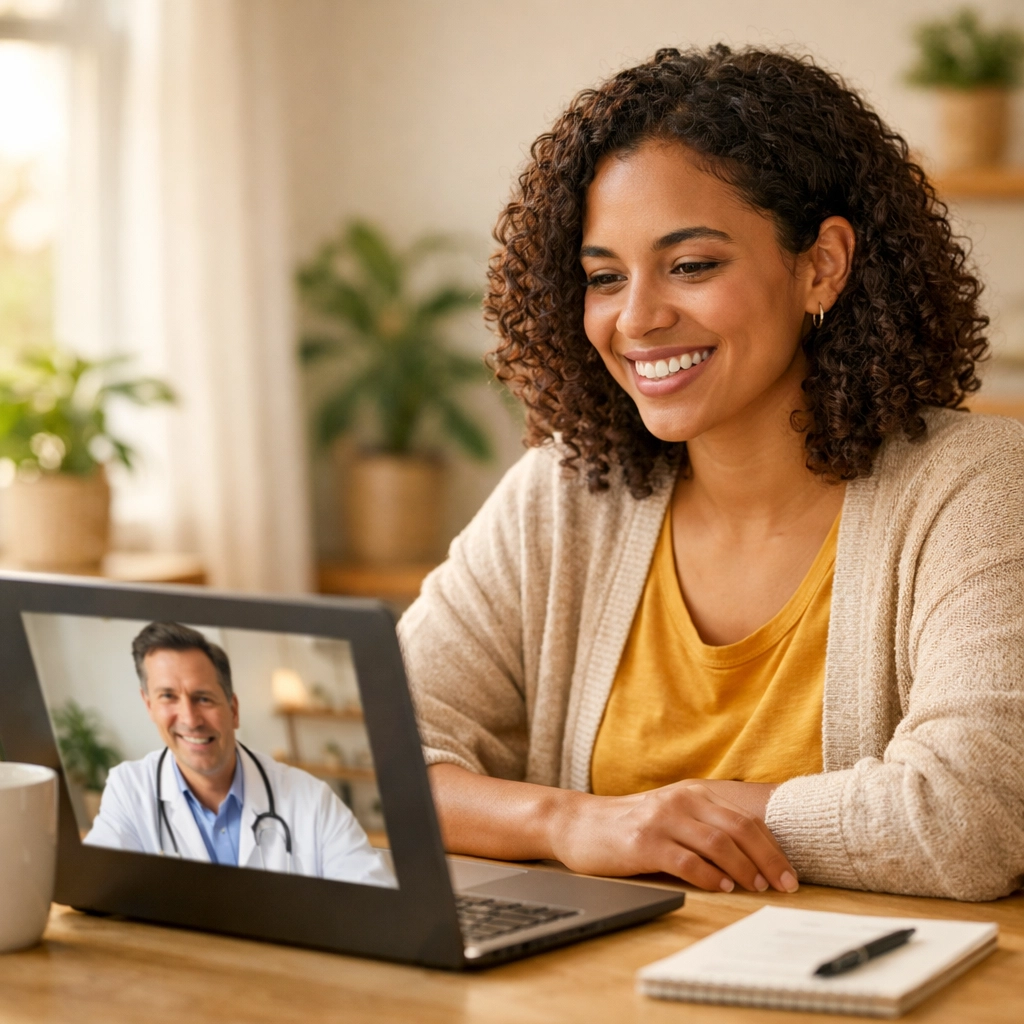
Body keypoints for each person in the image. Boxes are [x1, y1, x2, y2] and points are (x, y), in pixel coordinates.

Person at [398, 45, 1024, 902]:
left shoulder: (980, 487)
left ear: (822, 265)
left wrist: (679, 821)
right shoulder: (564, 493)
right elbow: (376, 754)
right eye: (604, 277)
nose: (639, 318)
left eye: (692, 265)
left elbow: (966, 821)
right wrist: (573, 823)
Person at [85, 622, 394, 888]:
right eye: (168, 696)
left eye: (203, 698)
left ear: (233, 710)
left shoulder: (313, 801)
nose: (190, 719)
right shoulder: (128, 789)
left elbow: (376, 905)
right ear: (149, 705)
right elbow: (95, 892)